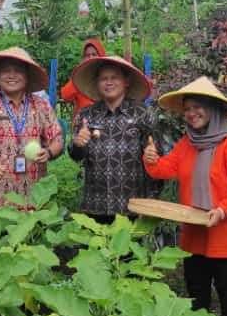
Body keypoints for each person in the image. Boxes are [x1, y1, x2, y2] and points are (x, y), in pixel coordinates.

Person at [142, 76, 227, 316]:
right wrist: (151, 159)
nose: (192, 113)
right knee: (196, 294)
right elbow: (165, 169)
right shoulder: (187, 143)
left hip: (226, 236)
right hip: (195, 234)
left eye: (198, 107)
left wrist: (223, 209)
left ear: (213, 109)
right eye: (187, 108)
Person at [0, 47, 63, 235]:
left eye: (18, 70)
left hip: (33, 198)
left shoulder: (42, 105)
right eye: (6, 70)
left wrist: (50, 151)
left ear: (27, 76)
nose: (11, 75)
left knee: (30, 257)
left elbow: (57, 138)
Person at [67, 55, 159, 223]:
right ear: (97, 83)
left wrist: (153, 155)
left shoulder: (142, 113)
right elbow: (75, 156)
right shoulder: (86, 115)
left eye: (114, 77)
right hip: (95, 204)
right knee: (94, 249)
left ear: (126, 81)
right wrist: (77, 144)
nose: (108, 82)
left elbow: (157, 155)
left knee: (130, 249)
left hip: (132, 205)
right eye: (103, 78)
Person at [59, 37, 107, 120]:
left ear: (101, 55)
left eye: (94, 54)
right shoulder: (79, 76)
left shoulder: (108, 73)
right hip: (83, 125)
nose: (91, 58)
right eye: (87, 55)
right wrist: (80, 75)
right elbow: (65, 95)